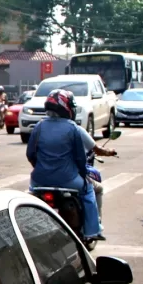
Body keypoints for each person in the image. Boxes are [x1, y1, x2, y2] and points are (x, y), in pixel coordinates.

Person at [26, 89, 104, 242]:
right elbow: (80, 158)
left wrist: (41, 168)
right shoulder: (73, 128)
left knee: (31, 196)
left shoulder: (39, 126)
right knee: (89, 190)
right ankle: (92, 231)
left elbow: (30, 154)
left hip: (39, 180)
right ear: (67, 107)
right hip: (68, 180)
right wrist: (83, 175)